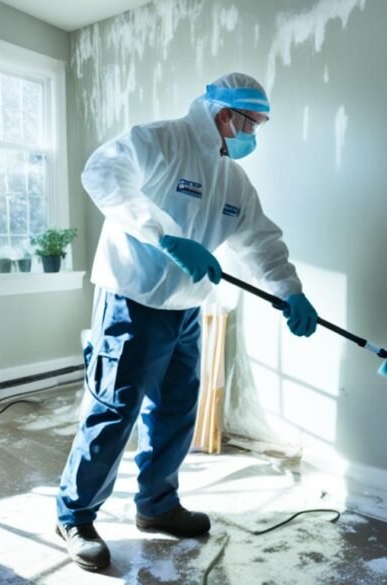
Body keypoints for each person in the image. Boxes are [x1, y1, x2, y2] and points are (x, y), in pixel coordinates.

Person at [54, 72, 319, 572]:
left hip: (185, 309)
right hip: (132, 298)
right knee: (115, 410)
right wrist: (162, 234)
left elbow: (260, 240)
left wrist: (291, 292)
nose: (254, 136)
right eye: (253, 124)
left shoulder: (232, 179)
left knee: (176, 410)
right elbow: (102, 172)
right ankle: (75, 515)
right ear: (225, 116)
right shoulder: (159, 140)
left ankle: (156, 505)